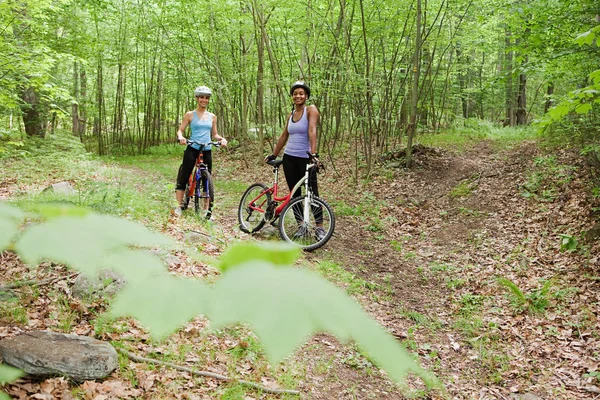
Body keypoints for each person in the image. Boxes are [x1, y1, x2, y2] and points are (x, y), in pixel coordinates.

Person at [265, 81, 325, 240]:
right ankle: (301, 225)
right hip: (289, 158)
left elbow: (312, 130)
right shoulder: (290, 115)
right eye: (295, 93)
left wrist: (314, 154)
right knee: (294, 193)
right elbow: (284, 135)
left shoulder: (311, 110)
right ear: (292, 96)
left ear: (306, 96)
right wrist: (274, 154)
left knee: (312, 192)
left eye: (301, 93)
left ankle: (319, 226)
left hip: (306, 158)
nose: (298, 96)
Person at [174, 85, 227, 217]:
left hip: (207, 148)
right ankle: (178, 206)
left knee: (206, 180)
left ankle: (206, 209)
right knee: (184, 175)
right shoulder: (190, 115)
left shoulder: (212, 117)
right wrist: (181, 137)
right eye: (201, 97)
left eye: (206, 98)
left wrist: (222, 139)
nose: (204, 100)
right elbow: (180, 130)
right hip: (193, 147)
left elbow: (215, 134)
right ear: (197, 98)